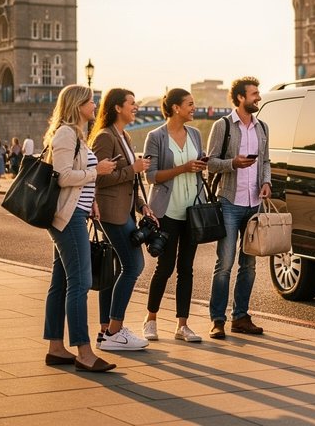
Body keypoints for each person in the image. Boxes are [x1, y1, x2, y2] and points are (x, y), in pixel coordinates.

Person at [42, 84, 117, 373]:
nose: (95, 105)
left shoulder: (77, 135)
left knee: (61, 282)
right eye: (90, 101)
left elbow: (78, 178)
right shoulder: (65, 134)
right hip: (68, 217)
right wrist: (98, 171)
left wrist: (92, 201)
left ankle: (55, 348)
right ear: (77, 105)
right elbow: (63, 177)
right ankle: (84, 352)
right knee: (81, 283)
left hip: (77, 212)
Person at [90, 88, 157, 351]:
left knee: (116, 270)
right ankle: (115, 332)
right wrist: (133, 168)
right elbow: (99, 177)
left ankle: (106, 330)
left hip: (125, 211)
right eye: (131, 103)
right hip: (111, 213)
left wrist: (143, 206)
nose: (136, 106)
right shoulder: (105, 137)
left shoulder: (125, 136)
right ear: (117, 107)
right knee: (133, 265)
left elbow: (130, 182)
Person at [205, 76, 270, 339]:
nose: (258, 97)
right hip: (230, 202)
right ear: (240, 98)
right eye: (254, 94)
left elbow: (266, 161)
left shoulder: (262, 127)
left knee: (249, 265)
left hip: (255, 204)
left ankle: (240, 317)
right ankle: (217, 319)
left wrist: (266, 182)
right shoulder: (223, 126)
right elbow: (210, 162)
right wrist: (233, 163)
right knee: (225, 263)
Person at [142, 88, 207, 344]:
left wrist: (201, 165)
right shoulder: (155, 137)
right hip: (166, 212)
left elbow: (198, 168)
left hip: (192, 211)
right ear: (176, 108)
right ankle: (150, 319)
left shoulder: (195, 134)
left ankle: (183, 325)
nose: (194, 108)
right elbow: (151, 176)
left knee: (186, 269)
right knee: (165, 267)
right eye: (190, 104)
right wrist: (183, 168)